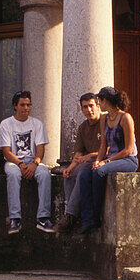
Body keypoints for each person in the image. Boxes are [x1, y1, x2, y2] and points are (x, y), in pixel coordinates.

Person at [76, 86, 138, 235]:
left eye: (99, 100)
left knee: (99, 172)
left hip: (128, 160)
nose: (99, 104)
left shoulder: (125, 118)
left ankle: (96, 217)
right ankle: (87, 220)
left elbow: (128, 150)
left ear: (105, 101)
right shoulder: (104, 118)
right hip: (110, 159)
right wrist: (98, 160)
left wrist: (106, 162)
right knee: (85, 175)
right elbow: (103, 145)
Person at [0, 90, 54, 234]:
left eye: (28, 105)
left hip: (32, 162)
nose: (26, 108)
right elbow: (6, 151)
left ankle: (43, 218)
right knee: (13, 174)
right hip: (14, 162)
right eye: (22, 105)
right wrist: (21, 165)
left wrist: (34, 164)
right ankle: (15, 219)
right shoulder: (6, 124)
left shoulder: (37, 124)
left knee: (45, 174)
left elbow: (40, 149)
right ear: (15, 106)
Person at [55, 92, 104, 234]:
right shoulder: (83, 127)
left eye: (91, 106)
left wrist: (90, 156)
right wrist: (69, 167)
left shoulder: (105, 122)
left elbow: (107, 150)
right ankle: (72, 215)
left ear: (97, 106)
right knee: (69, 175)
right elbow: (78, 153)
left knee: (82, 171)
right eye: (85, 107)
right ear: (81, 109)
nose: (89, 110)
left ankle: (70, 215)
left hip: (101, 161)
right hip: (87, 162)